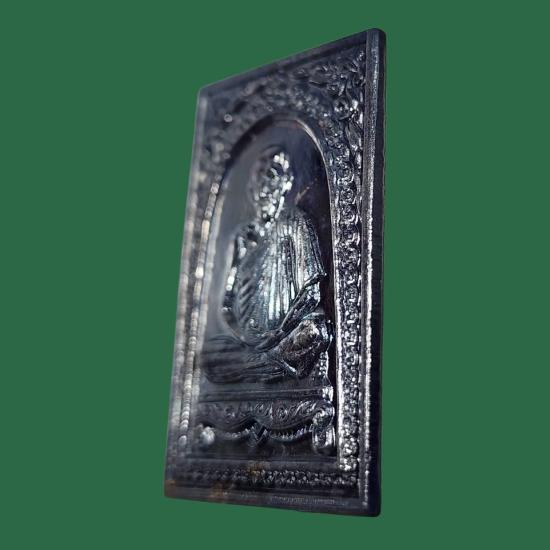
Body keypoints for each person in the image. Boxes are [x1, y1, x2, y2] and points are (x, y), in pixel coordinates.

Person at [203, 148, 331, 383]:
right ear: (251, 188)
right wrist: (245, 337)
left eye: (271, 176)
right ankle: (269, 363)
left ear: (284, 184)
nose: (263, 186)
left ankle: (256, 365)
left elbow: (311, 294)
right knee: (208, 353)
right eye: (258, 178)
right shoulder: (244, 237)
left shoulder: (294, 222)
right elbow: (227, 305)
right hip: (247, 341)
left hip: (286, 333)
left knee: (315, 331)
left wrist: (278, 333)